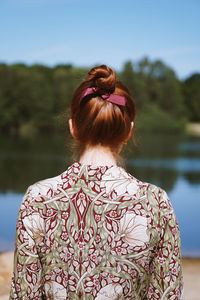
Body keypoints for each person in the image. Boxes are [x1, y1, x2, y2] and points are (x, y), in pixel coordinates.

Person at [10, 65, 184, 299]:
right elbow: (167, 293)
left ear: (73, 127)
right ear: (128, 132)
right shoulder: (155, 202)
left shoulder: (38, 197)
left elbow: (24, 294)